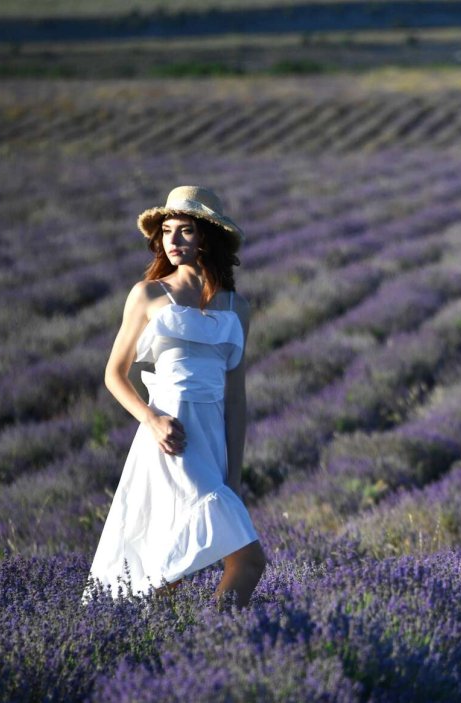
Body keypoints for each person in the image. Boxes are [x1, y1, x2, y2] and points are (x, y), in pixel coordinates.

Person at [84, 185, 267, 610]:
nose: (174, 240)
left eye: (185, 231)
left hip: (212, 439)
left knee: (185, 560)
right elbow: (114, 374)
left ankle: (179, 642)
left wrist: (234, 477)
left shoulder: (237, 308)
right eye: (167, 231)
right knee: (246, 559)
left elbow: (236, 400)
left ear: (208, 237)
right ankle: (205, 644)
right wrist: (152, 420)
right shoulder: (148, 295)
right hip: (172, 435)